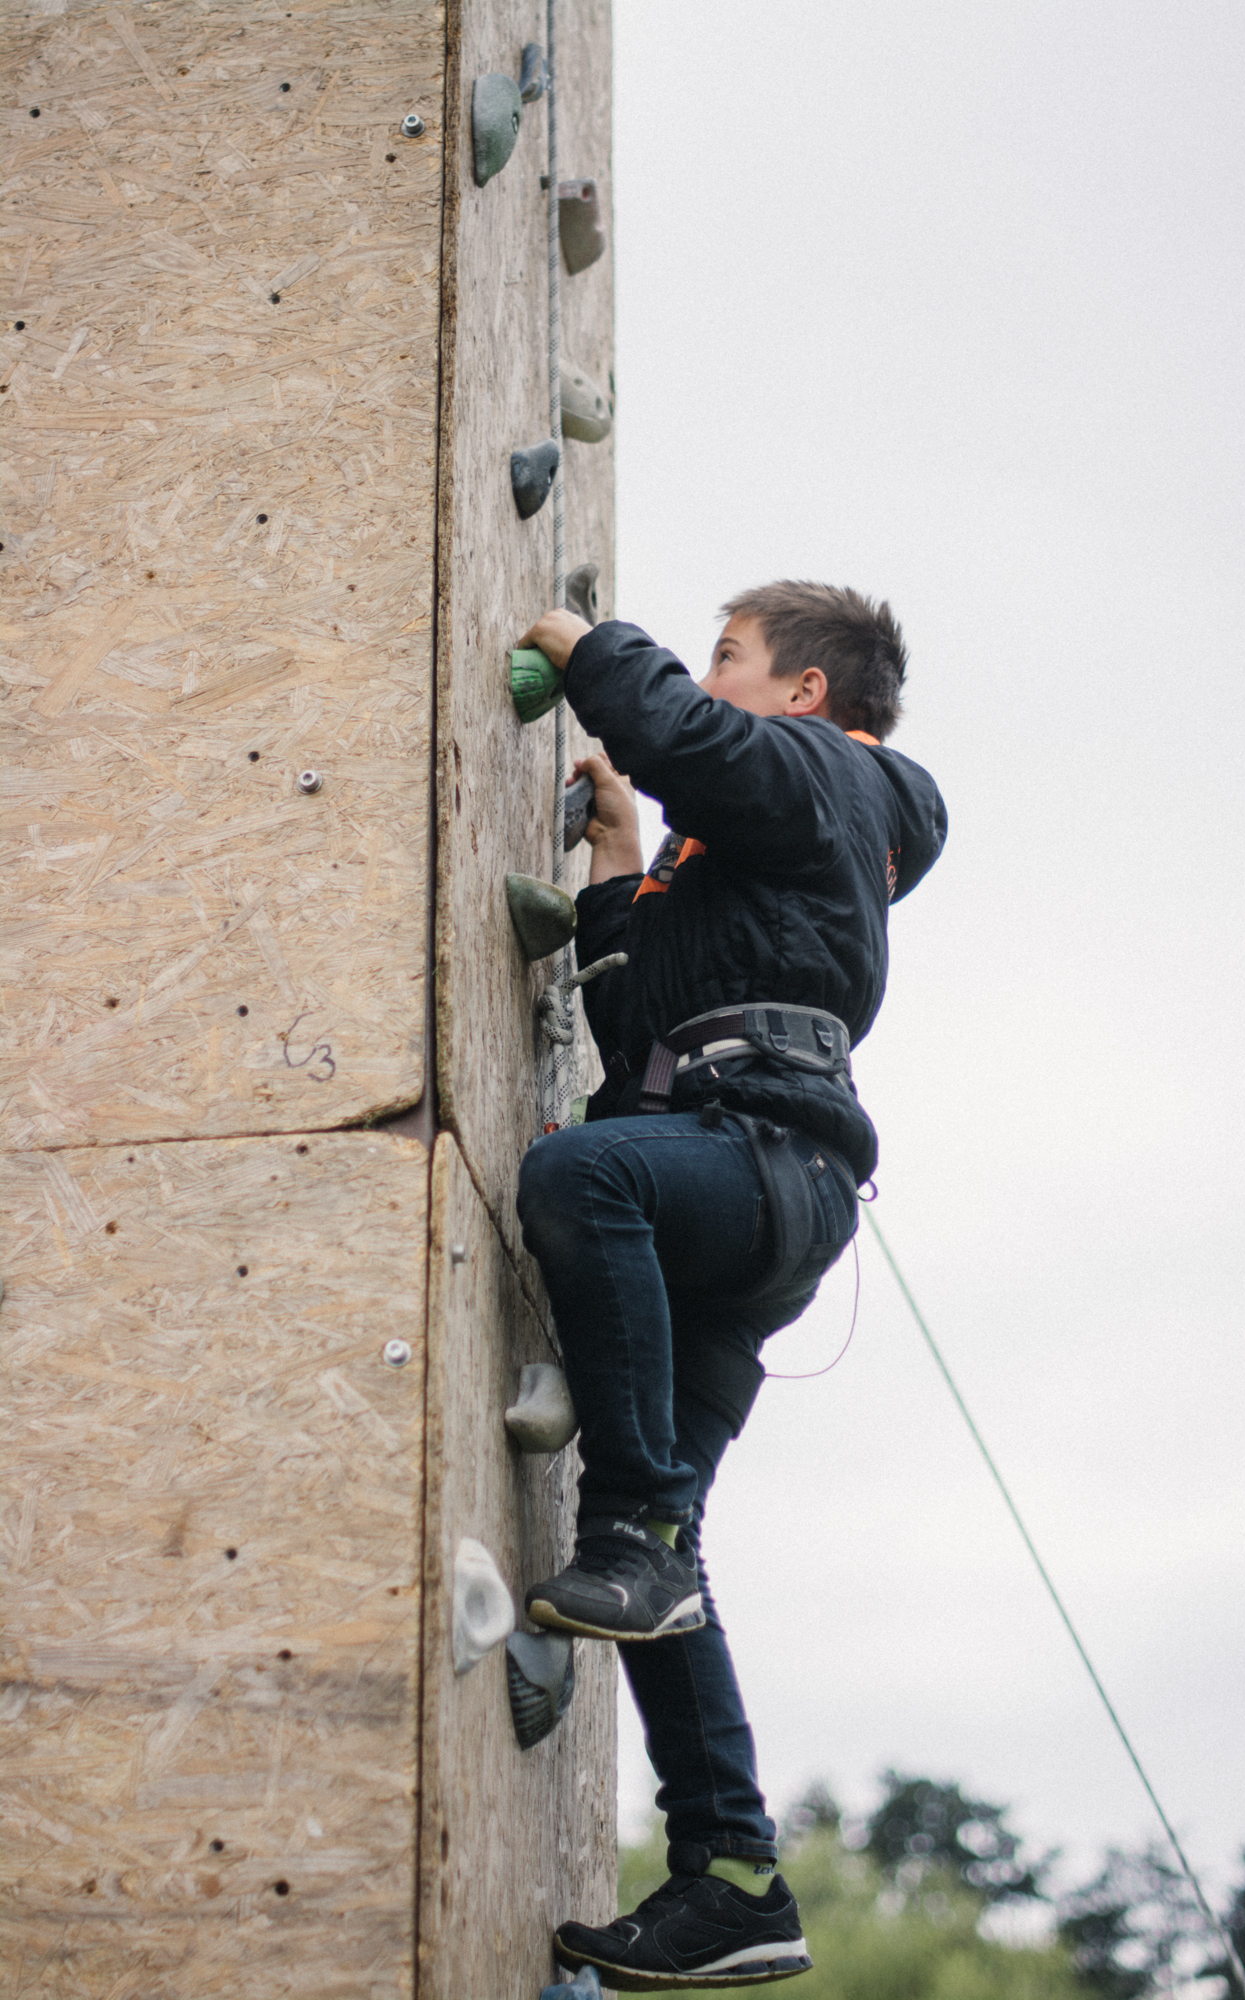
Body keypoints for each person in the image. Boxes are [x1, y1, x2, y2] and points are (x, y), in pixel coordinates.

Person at [514, 582, 947, 1992]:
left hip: (760, 1163)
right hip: (740, 1186)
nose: (708, 681)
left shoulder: (834, 773)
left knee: (582, 1175)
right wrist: (619, 868)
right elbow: (634, 1018)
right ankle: (733, 1875)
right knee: (666, 1572)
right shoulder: (753, 856)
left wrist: (583, 645)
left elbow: (688, 738)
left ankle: (632, 1519)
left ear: (806, 693)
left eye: (729, 658)